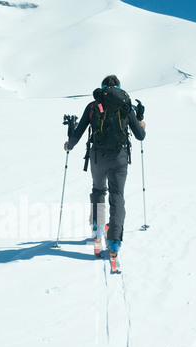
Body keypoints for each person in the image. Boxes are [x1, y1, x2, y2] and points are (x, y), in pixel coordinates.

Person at [64, 75, 146, 256]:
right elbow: (140, 135)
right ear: (119, 87)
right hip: (119, 157)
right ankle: (114, 241)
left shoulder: (94, 105)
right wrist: (141, 121)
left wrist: (69, 145)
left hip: (97, 156)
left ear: (103, 87)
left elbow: (79, 132)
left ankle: (97, 227)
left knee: (98, 190)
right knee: (117, 196)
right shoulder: (126, 106)